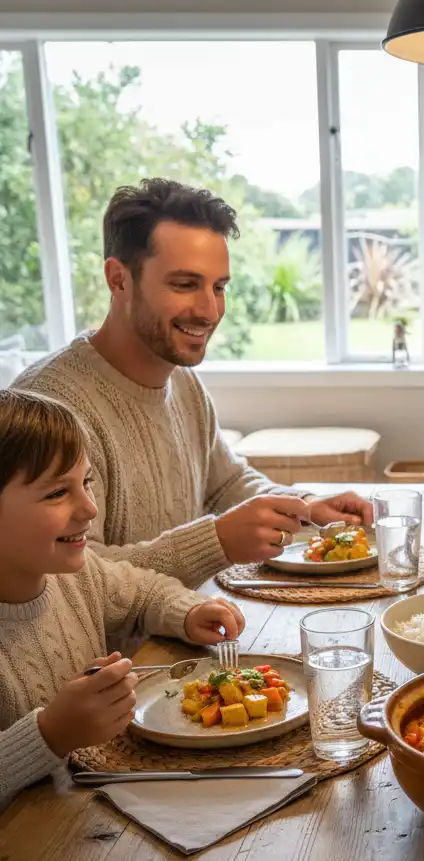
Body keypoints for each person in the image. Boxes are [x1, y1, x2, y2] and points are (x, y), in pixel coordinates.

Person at [15, 179, 372, 589]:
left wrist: (306, 506)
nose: (209, 310)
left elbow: (227, 483)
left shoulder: (182, 381)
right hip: (106, 655)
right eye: (184, 285)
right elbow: (67, 583)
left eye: (219, 287)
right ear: (118, 280)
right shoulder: (49, 407)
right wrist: (215, 542)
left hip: (187, 633)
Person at [0, 389, 244, 807]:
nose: (90, 509)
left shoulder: (78, 577)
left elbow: (144, 591)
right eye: (57, 493)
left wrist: (188, 612)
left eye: (86, 483)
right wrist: (49, 735)